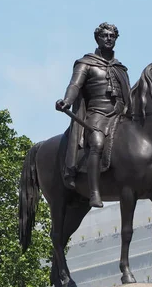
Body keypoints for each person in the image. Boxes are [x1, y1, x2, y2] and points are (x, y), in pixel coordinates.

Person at [56, 22, 131, 208]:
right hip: (97, 113)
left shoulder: (120, 68)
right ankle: (94, 192)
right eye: (105, 35)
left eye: (112, 36)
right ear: (97, 38)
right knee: (97, 142)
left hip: (120, 115)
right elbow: (74, 86)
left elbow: (129, 94)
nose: (109, 38)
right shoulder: (86, 64)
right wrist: (66, 100)